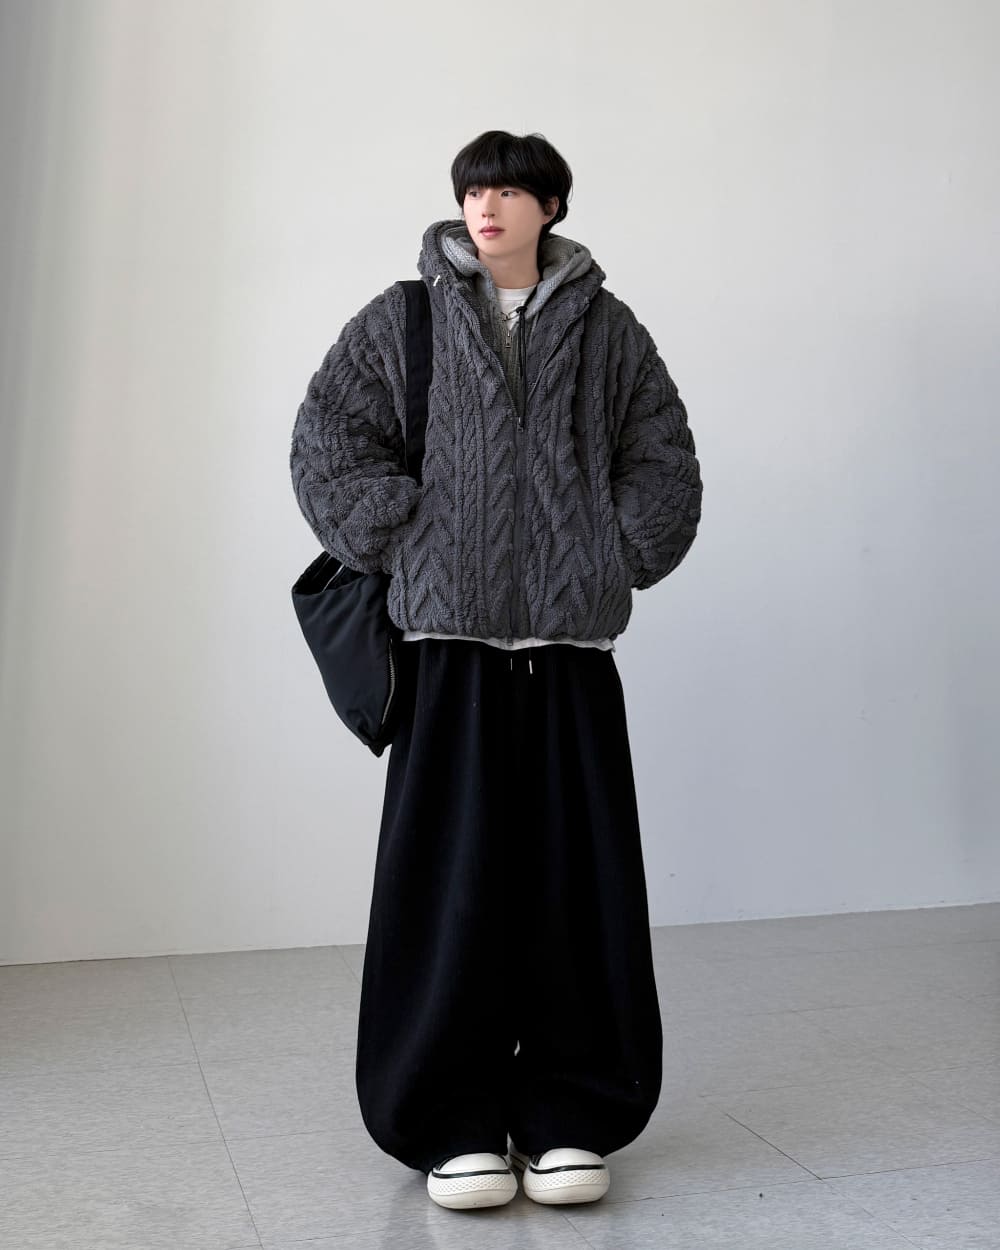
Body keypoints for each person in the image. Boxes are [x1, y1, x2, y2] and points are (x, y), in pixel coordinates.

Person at [290, 130, 703, 1211]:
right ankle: (448, 1116)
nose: (487, 207)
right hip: (448, 651)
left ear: (550, 207)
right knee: (448, 889)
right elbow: (330, 440)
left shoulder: (609, 330)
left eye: (510, 191)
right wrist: (411, 535)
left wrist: (611, 551)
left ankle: (573, 1110)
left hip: (569, 653)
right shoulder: (404, 320)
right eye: (475, 190)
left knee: (578, 890)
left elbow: (661, 455)